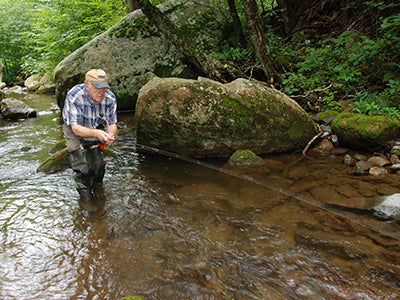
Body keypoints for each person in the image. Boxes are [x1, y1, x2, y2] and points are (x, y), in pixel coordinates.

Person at [62, 69, 117, 202]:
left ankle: (98, 190)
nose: (101, 92)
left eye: (103, 88)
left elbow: (112, 122)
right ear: (87, 86)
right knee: (84, 170)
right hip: (74, 127)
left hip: (95, 125)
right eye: (97, 88)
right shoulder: (75, 96)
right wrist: (97, 133)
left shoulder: (110, 98)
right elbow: (76, 129)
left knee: (99, 166)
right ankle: (87, 204)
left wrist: (110, 134)